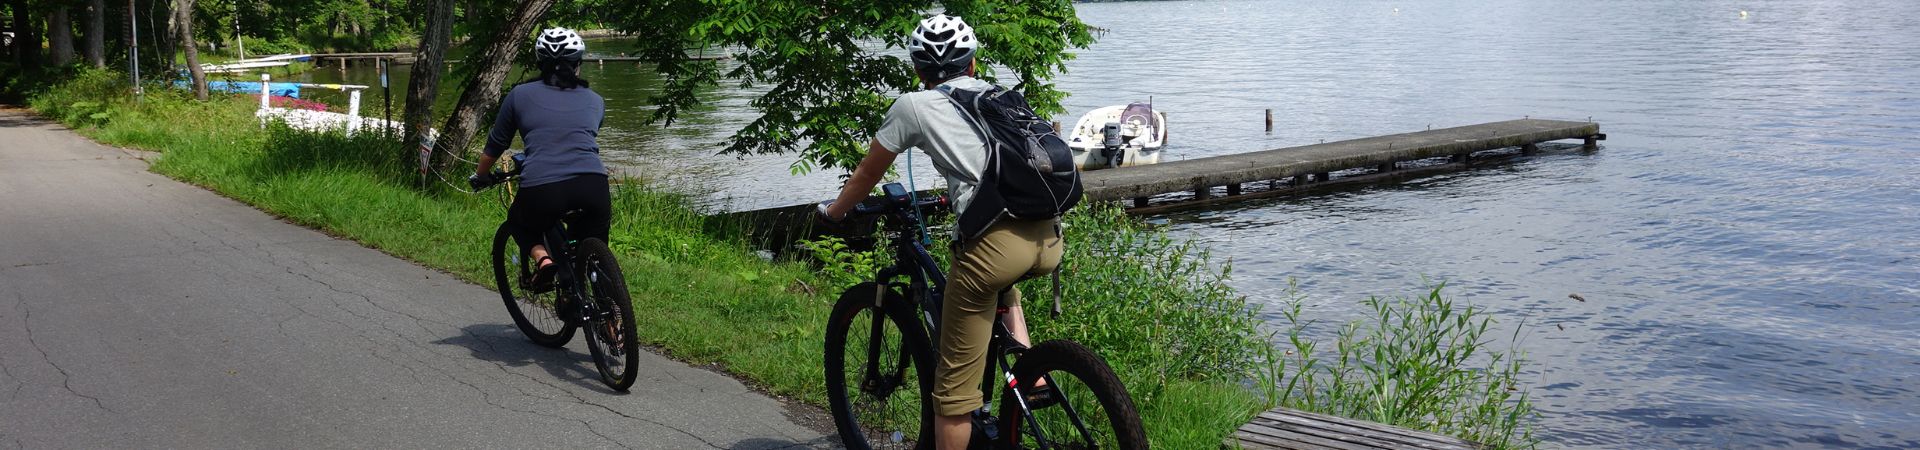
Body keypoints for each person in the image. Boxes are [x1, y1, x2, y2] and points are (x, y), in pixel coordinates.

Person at [817, 14, 1062, 450]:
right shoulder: (999, 96)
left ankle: (981, 410)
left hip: (995, 246)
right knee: (1002, 286)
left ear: (917, 70)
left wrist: (835, 213)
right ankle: (1031, 377)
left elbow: (867, 175)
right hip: (1047, 235)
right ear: (972, 65)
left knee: (952, 397)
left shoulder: (914, 105)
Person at [470, 27, 609, 291]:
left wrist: (481, 176)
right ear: (578, 64)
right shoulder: (596, 100)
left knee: (518, 219)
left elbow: (496, 145)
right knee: (595, 257)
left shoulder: (519, 95)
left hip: (544, 187)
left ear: (540, 63)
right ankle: (613, 321)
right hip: (594, 185)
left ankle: (543, 261)